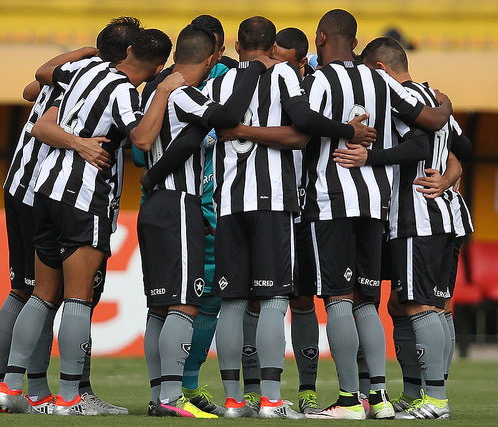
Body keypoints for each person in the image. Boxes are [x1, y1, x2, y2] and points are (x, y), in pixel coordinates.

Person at [0, 28, 185, 416]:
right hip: (84, 198)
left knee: (42, 295)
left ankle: (10, 388)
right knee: (78, 297)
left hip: (45, 190)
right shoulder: (123, 91)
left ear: (128, 50)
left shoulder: (84, 71)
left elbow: (41, 102)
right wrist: (163, 93)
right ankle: (69, 397)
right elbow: (144, 139)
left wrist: (76, 138)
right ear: (158, 65)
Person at [204, 15, 377, 419]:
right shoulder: (284, 74)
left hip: (229, 202)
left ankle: (232, 401)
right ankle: (270, 400)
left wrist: (241, 131)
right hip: (274, 200)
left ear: (236, 43)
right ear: (271, 44)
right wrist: (347, 130)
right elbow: (300, 133)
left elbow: (217, 130)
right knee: (274, 299)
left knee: (231, 301)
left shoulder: (220, 81)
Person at [301, 9, 452, 420]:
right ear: (355, 39)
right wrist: (445, 109)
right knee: (368, 299)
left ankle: (350, 399)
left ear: (319, 38)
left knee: (337, 299)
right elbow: (427, 126)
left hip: (331, 201)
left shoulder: (318, 80)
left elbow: (301, 120)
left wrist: (346, 134)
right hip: (375, 207)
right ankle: (379, 398)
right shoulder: (380, 80)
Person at [136, 23, 274, 419]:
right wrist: (251, 71)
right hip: (181, 202)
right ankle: (171, 397)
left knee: (159, 307)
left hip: (156, 203)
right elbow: (228, 115)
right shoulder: (185, 95)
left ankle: (160, 395)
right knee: (184, 303)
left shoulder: (158, 92)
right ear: (212, 57)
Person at [335, 35, 471, 420]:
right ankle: (416, 393)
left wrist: (369, 157)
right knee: (415, 304)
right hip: (447, 213)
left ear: (379, 69)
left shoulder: (398, 98)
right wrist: (448, 177)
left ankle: (436, 399)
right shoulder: (432, 96)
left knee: (419, 304)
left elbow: (417, 148)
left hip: (417, 215)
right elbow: (467, 149)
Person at [270, 26, 322, 416]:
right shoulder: (253, 81)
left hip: (306, 212)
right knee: (257, 298)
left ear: (303, 62)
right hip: (265, 205)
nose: (276, 68)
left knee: (303, 301)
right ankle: (255, 391)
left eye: (284, 61)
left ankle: (306, 389)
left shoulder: (322, 86)